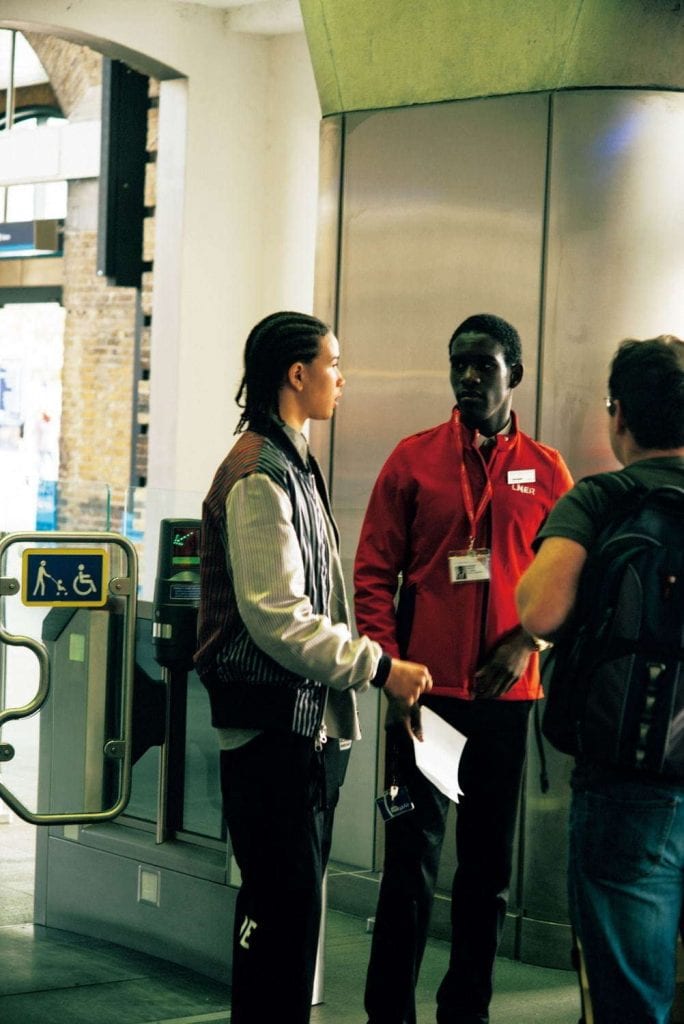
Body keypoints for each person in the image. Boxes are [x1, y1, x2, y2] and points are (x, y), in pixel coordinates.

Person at [194, 311, 432, 1024]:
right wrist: (378, 666)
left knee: (289, 918)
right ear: (296, 374)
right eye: (333, 362)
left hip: (302, 731)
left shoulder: (293, 459)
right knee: (280, 920)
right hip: (273, 735)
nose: (342, 376)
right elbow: (278, 616)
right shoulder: (259, 473)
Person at [355, 312, 574, 1024]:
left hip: (506, 704)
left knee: (486, 877)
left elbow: (570, 582)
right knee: (410, 869)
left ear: (515, 372)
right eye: (459, 365)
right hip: (426, 703)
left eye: (483, 364)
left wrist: (526, 645)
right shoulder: (413, 460)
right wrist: (391, 669)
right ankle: (390, 1011)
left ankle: (466, 1013)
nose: (469, 377)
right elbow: (372, 575)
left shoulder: (546, 471)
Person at [516, 335, 684, 1024]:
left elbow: (540, 609)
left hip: (628, 784)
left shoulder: (602, 499)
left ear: (619, 416)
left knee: (628, 996)